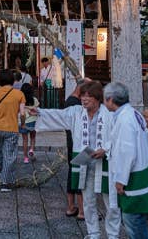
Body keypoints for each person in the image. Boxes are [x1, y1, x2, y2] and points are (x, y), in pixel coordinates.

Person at [33, 80, 121, 239]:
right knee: (88, 200)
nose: (84, 99)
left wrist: (106, 148)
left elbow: (119, 136)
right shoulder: (75, 112)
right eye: (82, 96)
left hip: (106, 161)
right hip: (84, 161)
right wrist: (39, 112)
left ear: (97, 98)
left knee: (111, 202)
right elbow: (57, 115)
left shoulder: (109, 114)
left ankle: (113, 235)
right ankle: (93, 233)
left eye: (88, 96)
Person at [104, 81, 148, 239]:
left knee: (133, 220)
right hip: (141, 169)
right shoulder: (132, 113)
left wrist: (121, 179)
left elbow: (127, 151)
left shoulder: (125, 118)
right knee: (136, 220)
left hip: (134, 175)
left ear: (110, 100)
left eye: (105, 99)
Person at [0, 69, 26, 192]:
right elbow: (23, 114)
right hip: (11, 128)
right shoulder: (19, 94)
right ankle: (5, 183)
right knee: (9, 155)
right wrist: (22, 124)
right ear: (12, 80)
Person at [63, 78, 89, 220]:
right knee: (80, 172)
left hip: (72, 141)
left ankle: (71, 206)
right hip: (77, 143)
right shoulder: (75, 104)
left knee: (72, 172)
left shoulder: (70, 101)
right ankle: (81, 211)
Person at [19, 83, 39, 164]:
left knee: (24, 140)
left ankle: (25, 158)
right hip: (33, 121)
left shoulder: (21, 99)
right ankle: (31, 149)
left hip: (24, 121)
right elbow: (37, 109)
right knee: (33, 138)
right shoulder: (34, 99)